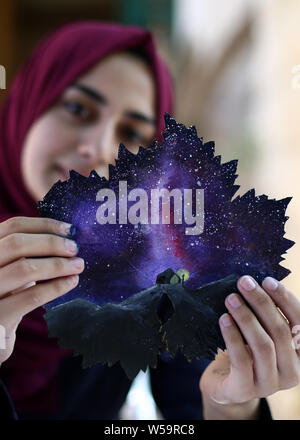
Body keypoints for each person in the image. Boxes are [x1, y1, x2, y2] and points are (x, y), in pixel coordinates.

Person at [0, 21, 299, 420]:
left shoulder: (153, 279)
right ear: (30, 101)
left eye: (132, 132)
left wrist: (231, 405)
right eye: (77, 109)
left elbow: (198, 399)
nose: (100, 149)